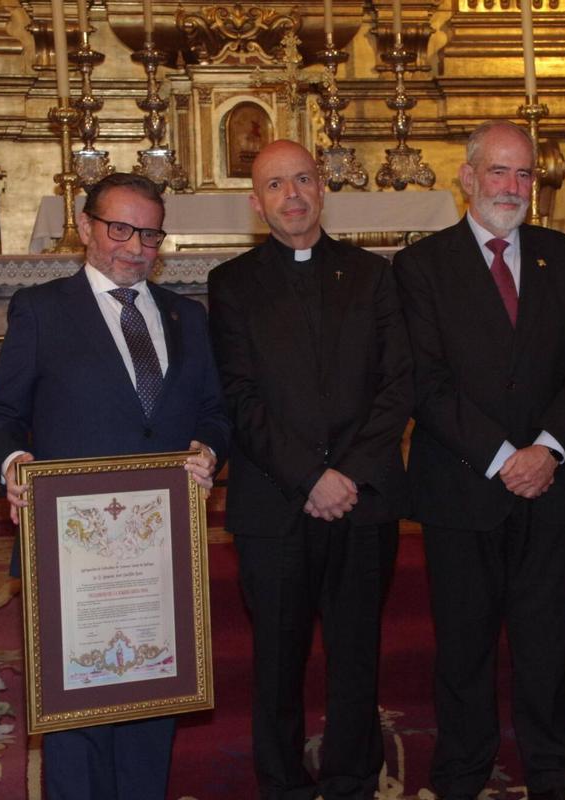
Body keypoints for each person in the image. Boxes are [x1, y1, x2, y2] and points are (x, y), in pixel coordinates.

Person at [0, 172, 230, 800]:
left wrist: (210, 451)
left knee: (152, 703)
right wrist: (15, 465)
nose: (135, 246)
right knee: (77, 716)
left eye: (149, 233)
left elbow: (214, 413)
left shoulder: (186, 316)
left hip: (158, 549)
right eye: (120, 228)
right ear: (85, 227)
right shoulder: (41, 309)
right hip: (72, 552)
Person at [393, 120, 565, 800]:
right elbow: (425, 381)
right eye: (499, 172)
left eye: (524, 174)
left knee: (547, 646)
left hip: (552, 486)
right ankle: (461, 772)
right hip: (461, 488)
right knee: (463, 647)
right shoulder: (421, 266)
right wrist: (505, 456)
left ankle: (550, 772)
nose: (512, 187)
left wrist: (548, 449)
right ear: (468, 177)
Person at [208, 139, 413, 800]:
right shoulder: (232, 284)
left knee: (357, 655)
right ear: (255, 201)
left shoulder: (373, 275)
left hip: (362, 502)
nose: (291, 196)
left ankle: (354, 780)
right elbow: (240, 397)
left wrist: (346, 474)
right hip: (275, 503)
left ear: (322, 188)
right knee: (278, 661)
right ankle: (285, 785)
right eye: (275, 185)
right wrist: (309, 477)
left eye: (301, 180)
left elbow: (397, 386)